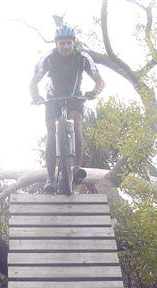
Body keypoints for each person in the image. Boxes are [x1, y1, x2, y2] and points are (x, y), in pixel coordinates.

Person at [29, 25, 105, 193]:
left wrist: (93, 92)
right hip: (53, 97)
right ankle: (50, 179)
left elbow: (100, 82)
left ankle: (77, 167)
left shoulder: (82, 57)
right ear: (57, 44)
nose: (65, 47)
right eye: (62, 43)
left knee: (77, 122)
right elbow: (33, 83)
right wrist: (36, 97)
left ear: (73, 43)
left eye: (69, 43)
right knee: (50, 131)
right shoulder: (48, 58)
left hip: (74, 97)